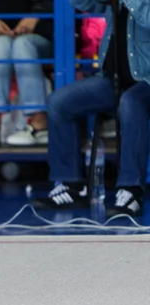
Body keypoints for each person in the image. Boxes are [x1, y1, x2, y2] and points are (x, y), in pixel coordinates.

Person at [31, 0, 150, 217]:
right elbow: (90, 5)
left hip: (146, 80)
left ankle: (131, 190)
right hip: (112, 79)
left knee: (131, 103)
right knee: (59, 103)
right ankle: (73, 187)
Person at [0, 0, 54, 147]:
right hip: (11, 32)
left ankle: (39, 123)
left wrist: (37, 16)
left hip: (49, 33)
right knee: (0, 44)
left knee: (22, 44)